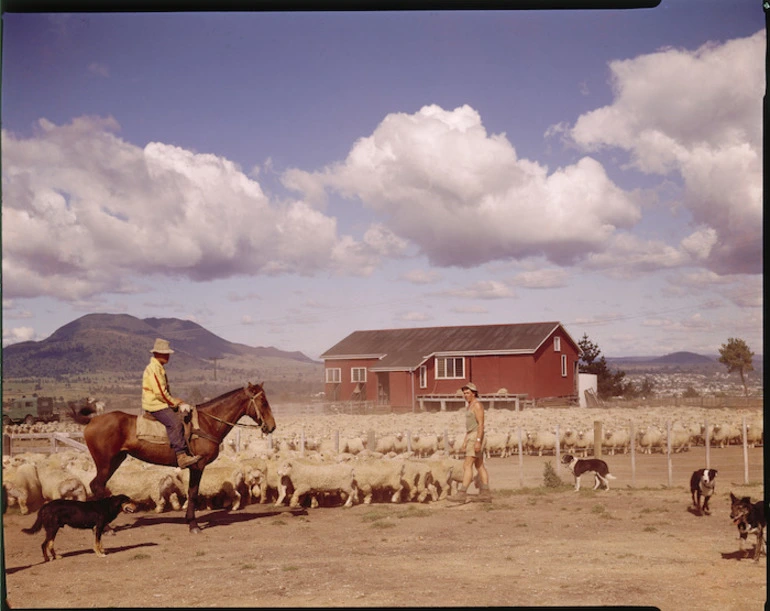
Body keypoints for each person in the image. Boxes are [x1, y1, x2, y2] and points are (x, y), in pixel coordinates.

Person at [142, 338, 201, 469]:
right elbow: (160, 393)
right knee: (175, 422)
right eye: (166, 353)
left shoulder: (159, 368)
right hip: (155, 404)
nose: (168, 356)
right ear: (158, 354)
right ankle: (181, 456)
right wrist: (175, 403)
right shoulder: (153, 369)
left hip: (160, 402)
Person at [449, 382, 492, 502]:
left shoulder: (477, 405)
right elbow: (470, 427)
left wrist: (478, 441)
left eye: (468, 393)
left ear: (474, 393)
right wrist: (465, 441)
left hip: (476, 437)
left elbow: (481, 425)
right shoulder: (470, 406)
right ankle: (485, 492)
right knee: (479, 465)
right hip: (471, 436)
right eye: (464, 393)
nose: (465, 395)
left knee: (467, 465)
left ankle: (462, 492)